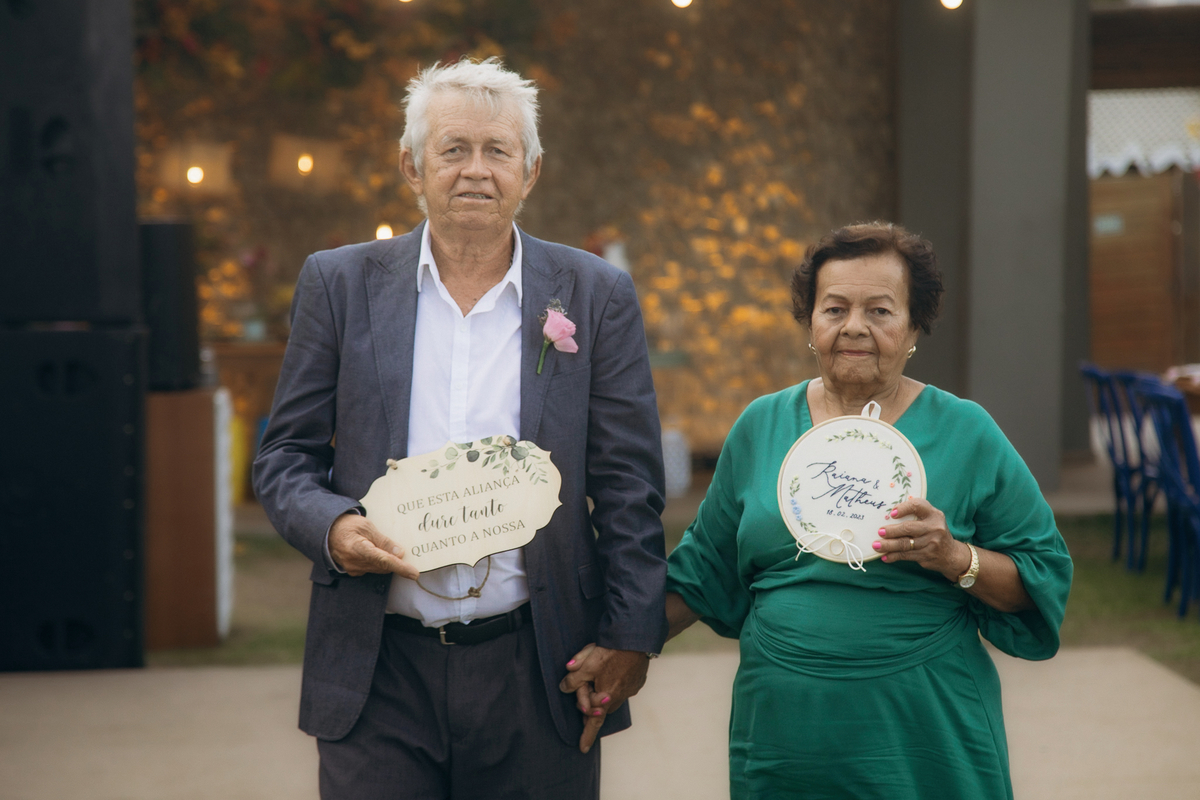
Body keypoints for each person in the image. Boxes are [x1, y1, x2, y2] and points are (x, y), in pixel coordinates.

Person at [253, 57, 668, 800]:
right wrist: (334, 528)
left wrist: (630, 636)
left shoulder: (595, 293)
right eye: (453, 149)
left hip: (540, 663)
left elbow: (629, 485)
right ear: (411, 167)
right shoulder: (338, 284)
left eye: (497, 150)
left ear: (530, 172)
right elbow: (284, 456)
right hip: (377, 665)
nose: (476, 170)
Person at [564, 222, 1072, 799]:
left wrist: (955, 557)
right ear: (810, 323)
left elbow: (1041, 577)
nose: (853, 326)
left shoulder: (966, 432)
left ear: (914, 326)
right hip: (784, 736)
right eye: (834, 309)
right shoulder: (762, 425)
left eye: (879, 310)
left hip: (923, 732)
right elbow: (703, 571)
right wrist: (624, 646)